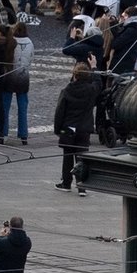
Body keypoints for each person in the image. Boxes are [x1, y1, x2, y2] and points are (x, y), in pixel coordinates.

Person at [54, 61, 100, 196]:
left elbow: (59, 112)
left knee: (67, 156)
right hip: (84, 128)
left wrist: (57, 130)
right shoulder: (91, 90)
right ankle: (82, 186)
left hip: (68, 127)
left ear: (75, 75)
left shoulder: (67, 90)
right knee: (82, 157)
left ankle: (66, 182)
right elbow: (99, 82)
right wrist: (94, 66)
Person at [1, 22, 34, 146]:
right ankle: (23, 134)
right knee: (23, 106)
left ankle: (3, 133)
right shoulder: (30, 42)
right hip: (23, 76)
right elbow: (31, 58)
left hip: (9, 75)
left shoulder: (11, 41)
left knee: (5, 106)